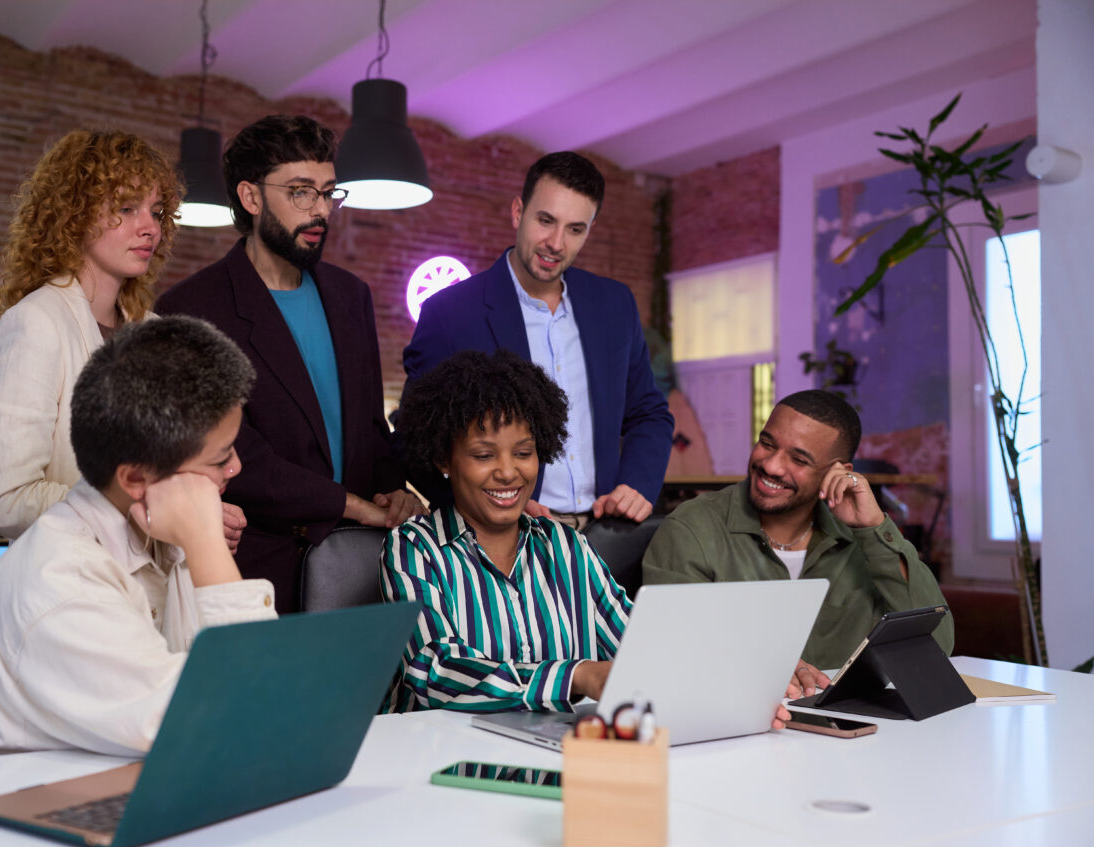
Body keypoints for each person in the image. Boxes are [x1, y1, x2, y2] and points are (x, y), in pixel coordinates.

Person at [0, 317, 277, 767]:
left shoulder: (162, 533)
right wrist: (207, 542)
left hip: (70, 779)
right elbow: (247, 718)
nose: (236, 467)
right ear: (137, 478)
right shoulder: (63, 584)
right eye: (221, 457)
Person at [157, 115, 423, 613]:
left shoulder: (351, 296)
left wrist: (393, 491)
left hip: (364, 569)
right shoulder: (191, 310)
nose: (320, 209)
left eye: (327, 192)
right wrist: (351, 506)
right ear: (251, 197)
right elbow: (239, 460)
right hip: (256, 571)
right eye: (301, 192)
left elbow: (368, 425)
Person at [0, 130, 243, 553]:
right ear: (73, 214)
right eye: (126, 207)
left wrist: (202, 511)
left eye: (156, 211)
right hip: (73, 588)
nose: (149, 227)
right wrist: (144, 507)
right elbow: (1, 501)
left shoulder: (153, 331)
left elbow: (163, 474)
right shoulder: (35, 323)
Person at [402, 151, 674, 529]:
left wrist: (637, 484)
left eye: (575, 229)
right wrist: (490, 509)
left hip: (609, 535)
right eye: (545, 220)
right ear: (518, 212)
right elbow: (414, 440)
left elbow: (649, 413)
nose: (556, 243)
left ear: (589, 230)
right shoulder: (450, 313)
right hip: (504, 539)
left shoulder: (615, 305)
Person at [641, 389, 954, 685]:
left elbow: (938, 646)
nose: (771, 465)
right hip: (739, 729)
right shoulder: (692, 529)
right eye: (767, 443)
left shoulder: (863, 538)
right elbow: (674, 650)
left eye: (799, 459)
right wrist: (761, 664)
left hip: (853, 729)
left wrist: (873, 528)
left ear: (839, 471)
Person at [380, 350, 632, 713]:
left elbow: (637, 645)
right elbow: (434, 671)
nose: (508, 472)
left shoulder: (569, 547)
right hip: (444, 756)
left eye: (523, 453)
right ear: (443, 460)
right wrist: (575, 676)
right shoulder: (414, 548)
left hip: (552, 756)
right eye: (484, 456)